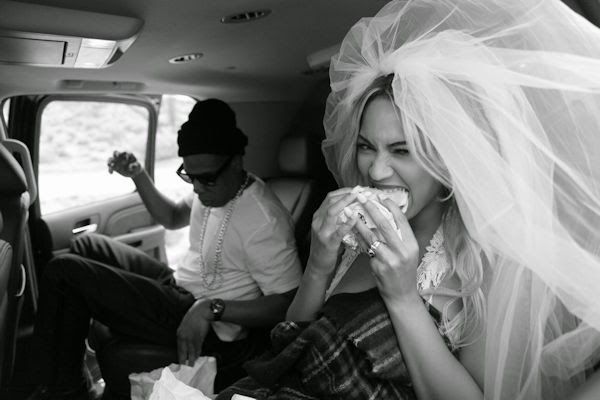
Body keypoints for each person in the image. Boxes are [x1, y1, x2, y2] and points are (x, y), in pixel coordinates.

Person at [217, 1, 600, 399]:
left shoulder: (495, 260)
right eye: (367, 146)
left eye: (401, 151)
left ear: (449, 160)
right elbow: (292, 344)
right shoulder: (357, 233)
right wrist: (317, 266)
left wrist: (402, 298)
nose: (376, 170)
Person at [29, 98, 302, 400]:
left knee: (64, 273)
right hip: (179, 286)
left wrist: (210, 309)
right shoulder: (214, 187)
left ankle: (65, 392)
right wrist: (138, 175)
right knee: (88, 244)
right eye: (189, 176)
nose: (196, 187)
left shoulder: (264, 220)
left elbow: (288, 303)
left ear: (236, 161)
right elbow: (172, 217)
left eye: (205, 179)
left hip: (212, 322)